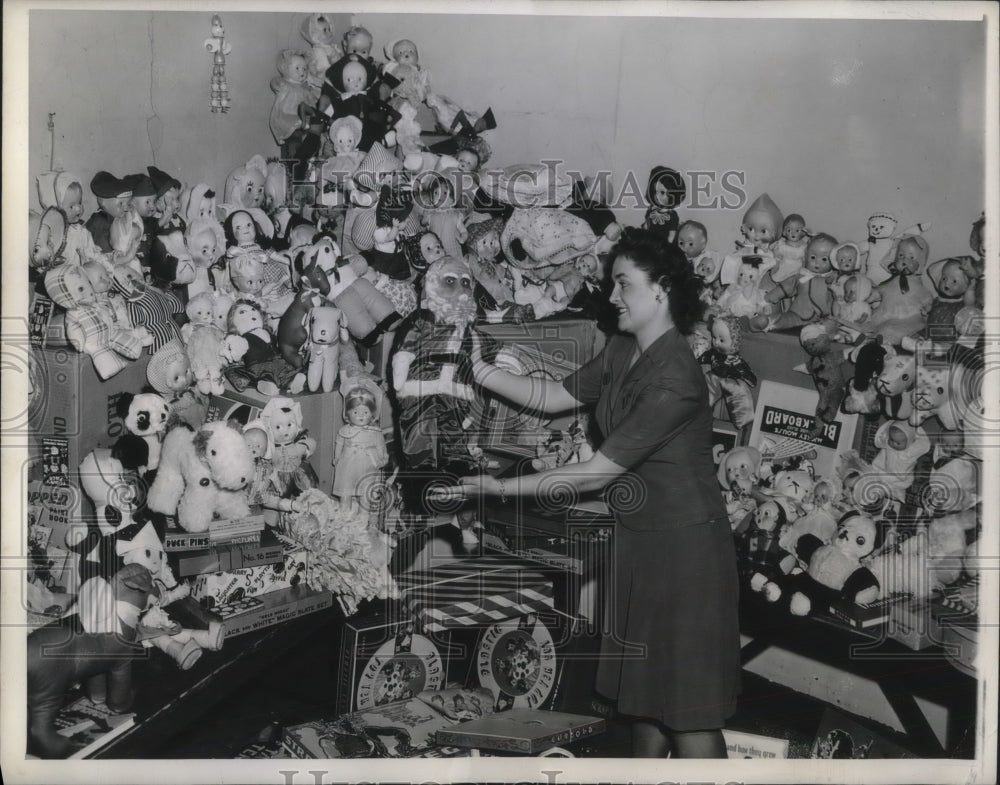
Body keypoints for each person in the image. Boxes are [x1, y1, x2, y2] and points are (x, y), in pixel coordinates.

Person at [433, 227, 740, 758]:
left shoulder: (677, 378)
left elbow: (596, 473)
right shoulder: (624, 350)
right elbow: (553, 396)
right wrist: (479, 371)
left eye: (624, 284)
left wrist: (497, 487)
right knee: (643, 706)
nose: (613, 295)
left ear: (661, 289)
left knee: (688, 715)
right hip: (640, 542)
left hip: (687, 552)